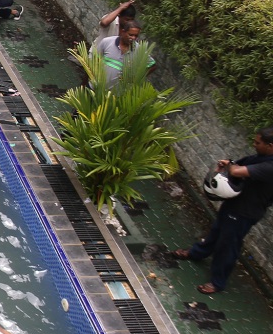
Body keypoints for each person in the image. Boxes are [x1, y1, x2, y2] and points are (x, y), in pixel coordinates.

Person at [174, 128, 273, 295]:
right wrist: (228, 163)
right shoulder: (260, 157)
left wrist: (230, 166)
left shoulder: (270, 166)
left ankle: (217, 282)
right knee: (216, 231)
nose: (254, 144)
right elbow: (237, 164)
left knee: (227, 245)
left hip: (245, 211)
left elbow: (236, 170)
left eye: (257, 143)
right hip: (235, 203)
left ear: (270, 145)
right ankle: (197, 253)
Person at [90, 18, 152, 87]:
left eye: (136, 36)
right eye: (131, 35)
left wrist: (137, 77)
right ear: (123, 32)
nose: (133, 38)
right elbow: (93, 61)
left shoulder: (139, 50)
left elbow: (152, 65)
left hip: (115, 95)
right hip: (95, 87)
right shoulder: (107, 42)